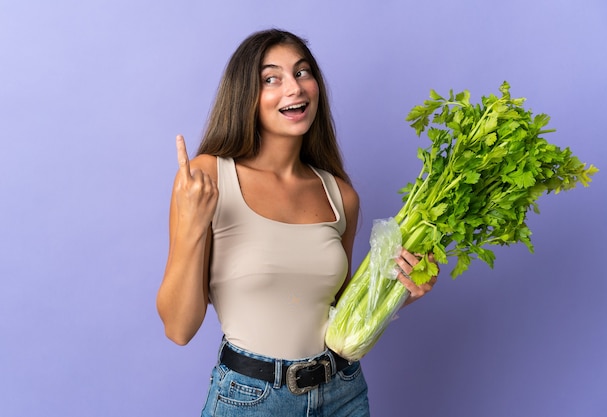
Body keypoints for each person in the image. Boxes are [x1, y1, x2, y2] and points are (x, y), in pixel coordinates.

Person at [156, 28, 438, 417]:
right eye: (271, 78)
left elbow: (337, 311)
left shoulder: (340, 196)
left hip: (344, 393)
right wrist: (192, 226)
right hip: (252, 399)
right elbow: (178, 328)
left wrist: (401, 290)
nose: (295, 88)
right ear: (245, 95)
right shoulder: (207, 178)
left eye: (303, 73)